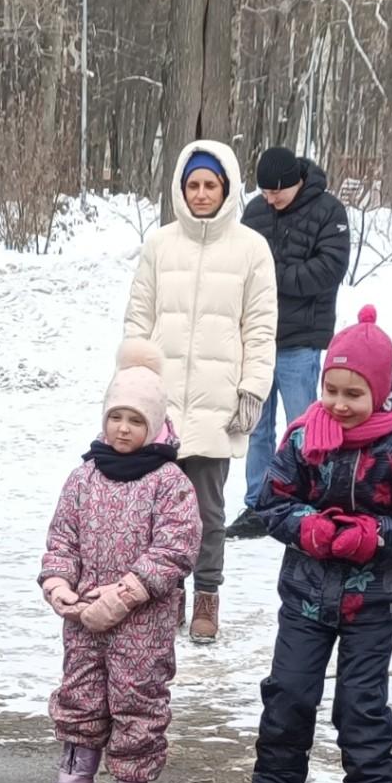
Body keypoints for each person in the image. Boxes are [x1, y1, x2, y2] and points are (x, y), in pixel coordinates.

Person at [234, 307, 392, 783]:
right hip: (306, 592)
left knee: (359, 702)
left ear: (380, 392)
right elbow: (271, 499)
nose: (339, 403)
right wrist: (307, 527)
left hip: (374, 600)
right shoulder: (305, 436)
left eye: (354, 393)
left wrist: (371, 536)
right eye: (331, 388)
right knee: (289, 688)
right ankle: (276, 782)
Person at [122, 140, 277, 644]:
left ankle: (207, 596)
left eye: (211, 184)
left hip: (216, 403)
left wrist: (252, 389)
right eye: (194, 184)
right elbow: (138, 319)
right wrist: (132, 386)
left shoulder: (251, 249)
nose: (202, 193)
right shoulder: (160, 246)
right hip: (160, 405)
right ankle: (166, 595)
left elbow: (260, 328)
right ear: (180, 189)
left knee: (208, 513)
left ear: (227, 188)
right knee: (154, 510)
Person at [42, 343, 203, 783]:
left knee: (137, 695)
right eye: (116, 418)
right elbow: (62, 537)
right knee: (81, 690)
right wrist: (59, 584)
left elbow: (175, 548)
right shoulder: (83, 477)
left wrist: (126, 593)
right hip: (84, 613)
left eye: (135, 420)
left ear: (153, 425)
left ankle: (132, 781)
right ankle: (76, 774)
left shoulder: (170, 481)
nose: (124, 429)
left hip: (142, 616)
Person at [240, 144, 353, 518]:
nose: (270, 200)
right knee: (256, 427)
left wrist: (272, 278)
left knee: (303, 424)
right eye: (265, 192)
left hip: (300, 339)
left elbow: (328, 270)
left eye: (278, 192)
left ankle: (309, 496)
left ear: (297, 182)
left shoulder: (329, 212)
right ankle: (258, 500)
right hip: (256, 337)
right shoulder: (255, 211)